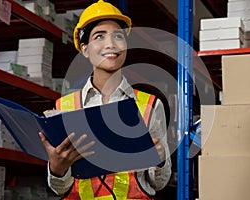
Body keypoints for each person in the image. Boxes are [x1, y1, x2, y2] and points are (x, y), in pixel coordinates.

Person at [39, 0, 172, 199]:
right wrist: (56, 169)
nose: (111, 44)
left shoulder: (150, 105)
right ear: (84, 49)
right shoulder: (64, 108)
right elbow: (59, 187)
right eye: (99, 36)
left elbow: (159, 182)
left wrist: (160, 160)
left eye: (118, 36)